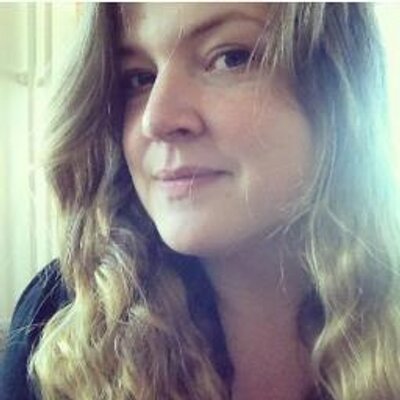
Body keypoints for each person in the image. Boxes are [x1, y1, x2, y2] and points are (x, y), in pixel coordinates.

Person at [1, 3, 399, 400]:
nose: (156, 119)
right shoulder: (58, 317)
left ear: (341, 86)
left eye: (230, 58)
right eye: (138, 78)